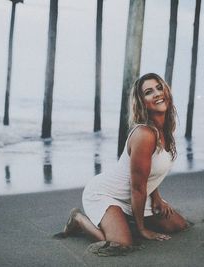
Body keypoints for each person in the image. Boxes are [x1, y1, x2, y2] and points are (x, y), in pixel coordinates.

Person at [62, 73, 189, 247]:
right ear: (142, 102)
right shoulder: (144, 134)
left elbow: (149, 172)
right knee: (121, 243)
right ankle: (78, 219)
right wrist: (143, 229)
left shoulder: (165, 131)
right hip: (106, 194)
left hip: (133, 197)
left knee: (178, 225)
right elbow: (137, 187)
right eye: (149, 92)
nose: (157, 93)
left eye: (159, 88)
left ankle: (125, 220)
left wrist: (157, 198)